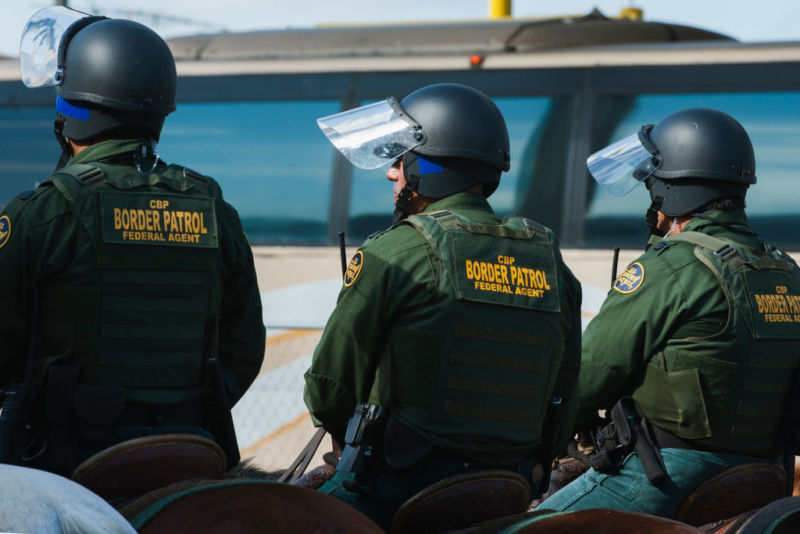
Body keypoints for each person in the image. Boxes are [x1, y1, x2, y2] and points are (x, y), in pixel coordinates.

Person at [304, 82, 583, 529]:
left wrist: (343, 439)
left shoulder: (393, 252)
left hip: (399, 485)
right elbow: (565, 391)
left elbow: (329, 387)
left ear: (426, 167)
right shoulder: (550, 259)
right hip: (508, 486)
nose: (391, 173)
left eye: (400, 160)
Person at [0, 7, 265, 475]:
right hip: (192, 447)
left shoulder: (42, 212)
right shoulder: (213, 209)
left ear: (71, 112)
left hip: (63, 457)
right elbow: (243, 350)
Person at [538, 107, 800, 517]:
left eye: (653, 187)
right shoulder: (784, 271)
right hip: (767, 475)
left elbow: (589, 378)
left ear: (673, 189)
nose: (652, 201)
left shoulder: (672, 267)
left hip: (672, 475)